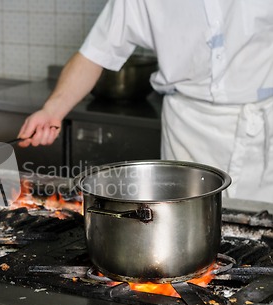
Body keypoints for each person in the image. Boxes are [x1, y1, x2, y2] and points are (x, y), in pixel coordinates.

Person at [17, 0, 273, 203]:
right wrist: (52, 110)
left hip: (265, 126)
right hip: (188, 129)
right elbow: (95, 53)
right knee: (190, 231)